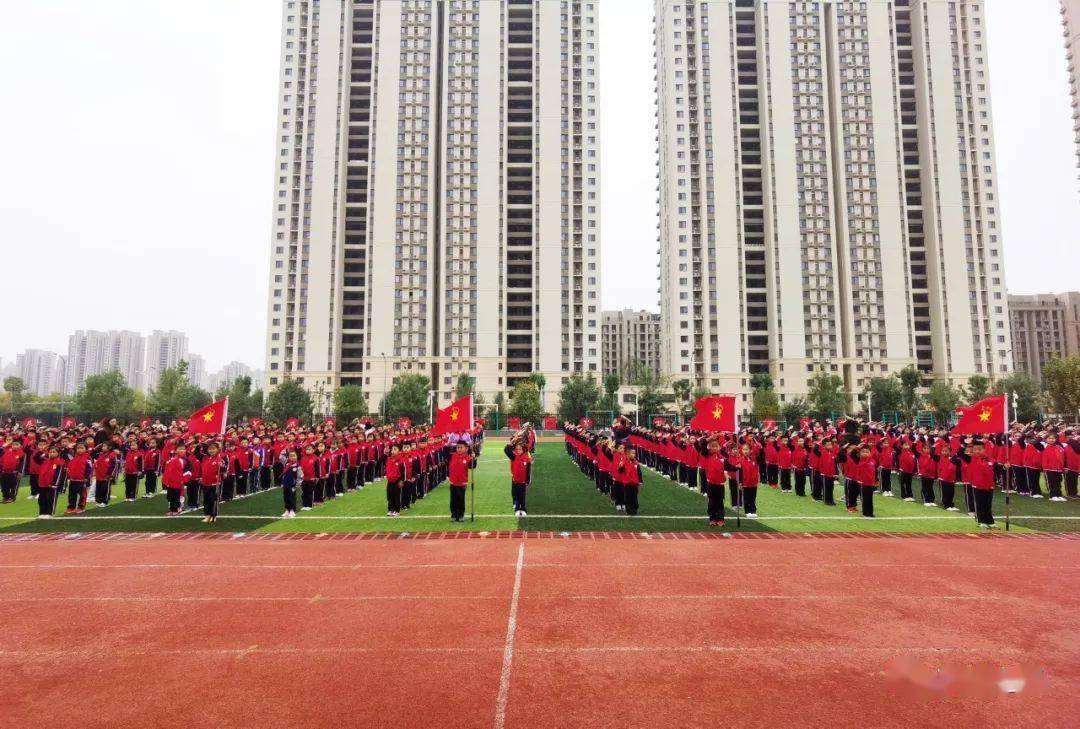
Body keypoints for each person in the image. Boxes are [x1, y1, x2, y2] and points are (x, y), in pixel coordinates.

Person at [698, 438, 726, 527]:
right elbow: (702, 443)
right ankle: (712, 518)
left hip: (720, 484)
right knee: (712, 502)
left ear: (719, 447)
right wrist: (711, 437)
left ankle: (720, 519)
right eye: (712, 446)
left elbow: (729, 466)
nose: (714, 448)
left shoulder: (722, 457)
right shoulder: (707, 455)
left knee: (720, 502)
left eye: (716, 446)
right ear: (709, 447)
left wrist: (736, 467)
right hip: (711, 484)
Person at [199, 442, 227, 524]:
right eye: (210, 449)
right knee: (206, 500)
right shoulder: (205, 459)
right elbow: (202, 469)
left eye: (213, 449)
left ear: (217, 449)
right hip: (205, 483)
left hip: (215, 483)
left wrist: (222, 467)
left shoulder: (219, 459)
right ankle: (207, 515)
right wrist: (201, 477)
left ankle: (213, 515)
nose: (211, 450)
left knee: (213, 500)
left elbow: (224, 471)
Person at [504, 436, 533, 517]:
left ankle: (523, 509)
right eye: (517, 449)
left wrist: (528, 480)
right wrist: (513, 441)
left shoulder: (527, 458)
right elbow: (506, 450)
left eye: (520, 449)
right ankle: (517, 509)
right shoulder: (514, 457)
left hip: (523, 481)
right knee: (516, 496)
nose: (518, 451)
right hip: (515, 480)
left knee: (522, 496)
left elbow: (528, 470)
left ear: (523, 449)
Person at [162, 443, 192, 516]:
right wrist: (165, 480)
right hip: (170, 482)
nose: (182, 450)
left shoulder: (186, 460)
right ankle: (172, 510)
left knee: (177, 496)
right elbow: (167, 470)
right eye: (180, 449)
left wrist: (184, 480)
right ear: (175, 451)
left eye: (183, 449)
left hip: (179, 482)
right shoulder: (171, 459)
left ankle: (177, 509)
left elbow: (188, 471)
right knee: (170, 496)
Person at [36, 446, 66, 519]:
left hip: (52, 485)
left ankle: (50, 513)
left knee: (50, 499)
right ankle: (42, 513)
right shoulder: (45, 461)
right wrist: (41, 451)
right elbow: (36, 458)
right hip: (43, 484)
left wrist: (55, 484)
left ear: (58, 453)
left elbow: (59, 474)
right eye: (50, 452)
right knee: (41, 499)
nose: (52, 453)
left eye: (54, 452)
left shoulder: (59, 462)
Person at [447, 441, 474, 522]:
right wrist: (448, 444)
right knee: (453, 500)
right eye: (458, 447)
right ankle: (454, 515)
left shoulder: (467, 457)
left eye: (461, 447)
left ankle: (461, 515)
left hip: (462, 483)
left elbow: (473, 466)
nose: (459, 449)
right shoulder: (453, 456)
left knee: (461, 500)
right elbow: (444, 452)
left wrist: (473, 458)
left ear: (466, 448)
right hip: (453, 482)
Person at [64, 443, 93, 514]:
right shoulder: (73, 457)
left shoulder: (88, 458)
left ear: (86, 449)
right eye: (78, 448)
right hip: (73, 479)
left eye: (82, 448)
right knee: (71, 494)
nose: (79, 450)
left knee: (82, 495)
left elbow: (89, 469)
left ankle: (81, 507)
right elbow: (64, 455)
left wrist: (86, 478)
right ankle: (71, 507)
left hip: (82, 480)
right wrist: (67, 448)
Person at [738, 443, 761, 518]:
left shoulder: (754, 459)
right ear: (741, 450)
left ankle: (753, 510)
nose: (745, 451)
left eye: (747, 449)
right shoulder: (740, 460)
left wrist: (758, 446)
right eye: (744, 449)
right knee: (746, 497)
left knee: (753, 497)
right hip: (745, 482)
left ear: (750, 450)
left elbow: (760, 455)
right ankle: (747, 511)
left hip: (753, 482)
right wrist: (740, 483)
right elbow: (739, 472)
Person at [92, 443, 119, 507]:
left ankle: (105, 502)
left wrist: (110, 474)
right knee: (98, 489)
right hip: (99, 475)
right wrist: (95, 448)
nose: (102, 447)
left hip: (107, 476)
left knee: (105, 489)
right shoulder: (100, 454)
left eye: (104, 446)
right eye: (102, 446)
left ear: (109, 447)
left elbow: (114, 466)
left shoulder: (112, 455)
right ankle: (99, 501)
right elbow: (92, 455)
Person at [618, 447, 643, 516]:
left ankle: (634, 509)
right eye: (632, 453)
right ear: (628, 454)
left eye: (634, 453)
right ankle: (628, 510)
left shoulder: (636, 462)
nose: (634, 454)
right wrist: (620, 466)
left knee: (634, 497)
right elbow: (620, 471)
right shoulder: (624, 462)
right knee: (628, 497)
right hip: (627, 484)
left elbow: (639, 472)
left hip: (635, 484)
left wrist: (640, 481)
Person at [280, 450, 301, 518]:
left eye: (294, 456)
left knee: (292, 497)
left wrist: (297, 484)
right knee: (286, 497)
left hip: (292, 485)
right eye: (290, 456)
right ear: (288, 457)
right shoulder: (287, 464)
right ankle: (287, 510)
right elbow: (281, 458)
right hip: (286, 484)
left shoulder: (297, 466)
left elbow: (299, 476)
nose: (292, 457)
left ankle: (292, 510)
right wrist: (282, 453)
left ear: (297, 457)